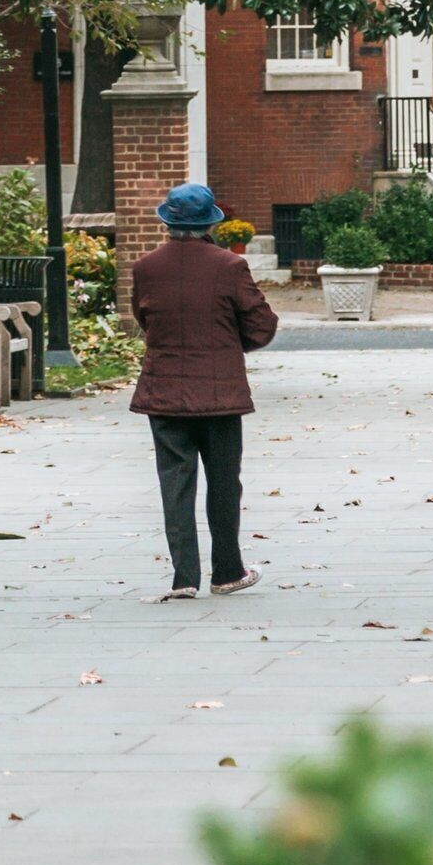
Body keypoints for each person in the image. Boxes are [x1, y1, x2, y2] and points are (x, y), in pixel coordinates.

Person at [128, 181, 277, 600]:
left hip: (165, 392)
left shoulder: (146, 267)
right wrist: (227, 347)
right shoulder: (229, 266)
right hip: (220, 394)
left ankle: (184, 577)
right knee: (224, 482)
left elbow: (144, 317)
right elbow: (262, 324)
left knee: (175, 483)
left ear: (167, 223)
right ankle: (228, 571)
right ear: (211, 222)